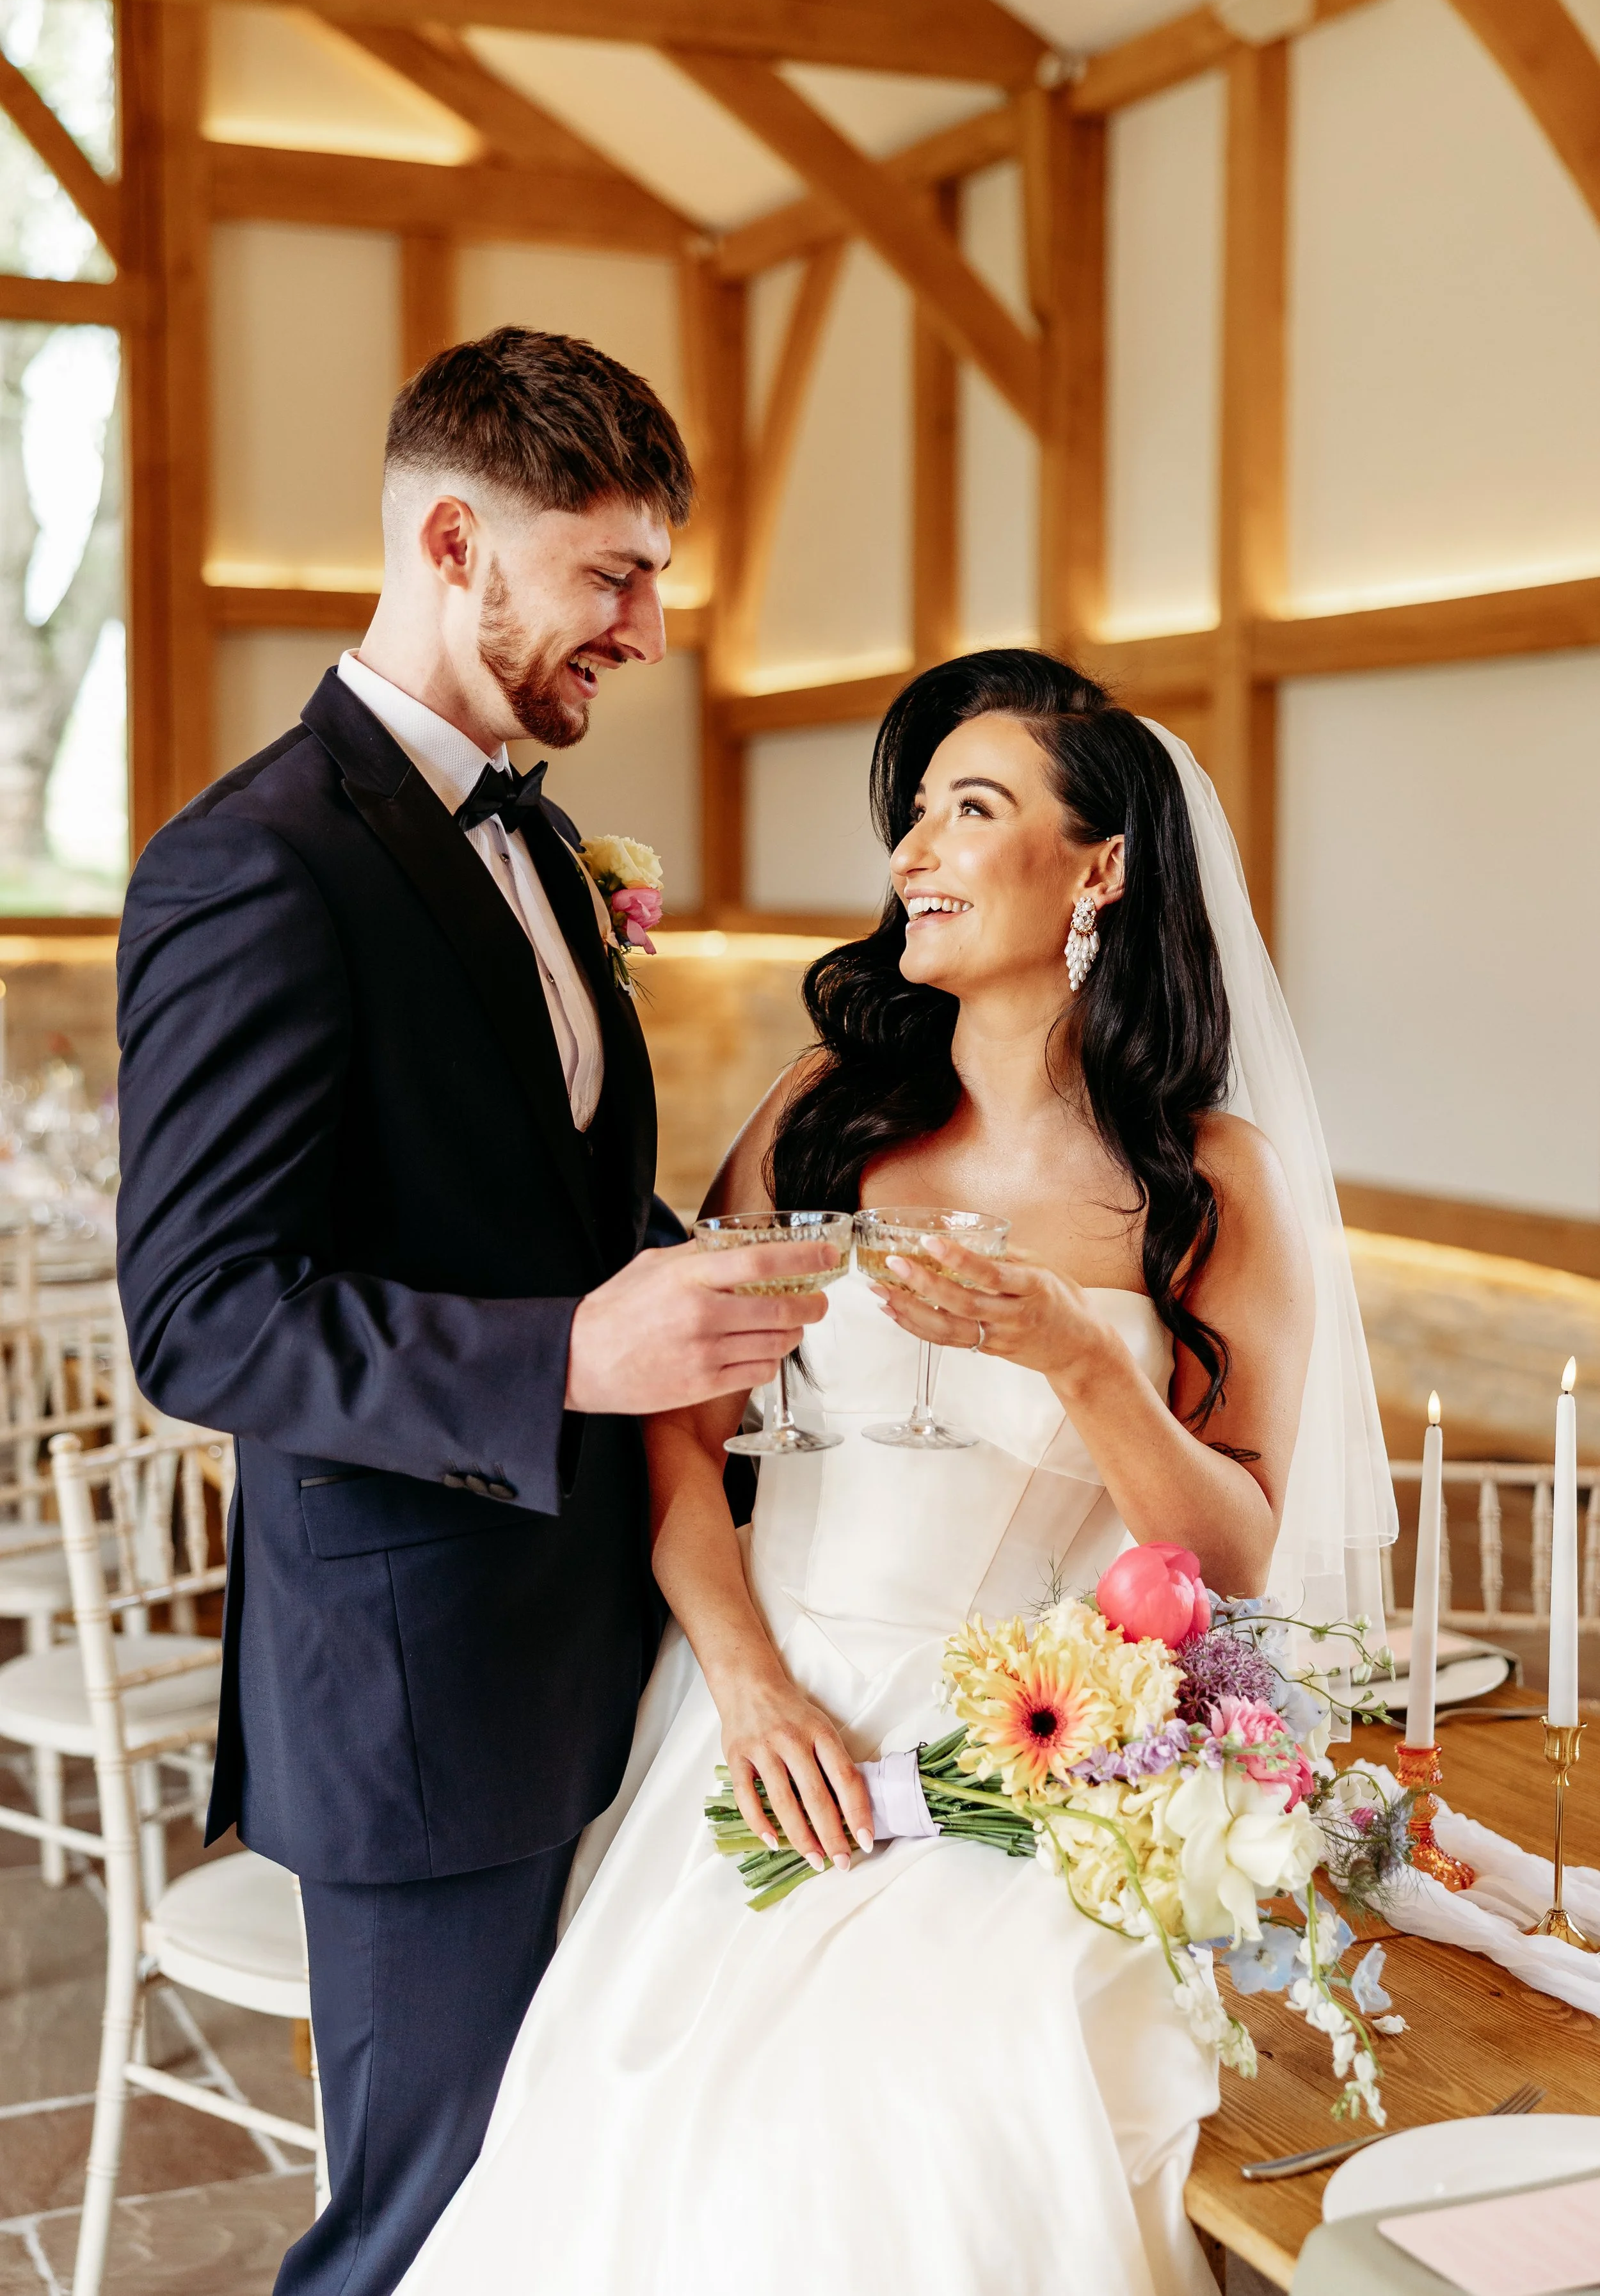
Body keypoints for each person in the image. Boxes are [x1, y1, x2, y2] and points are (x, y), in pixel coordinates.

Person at [396, 650, 1395, 2296]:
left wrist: (1075, 1359)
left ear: (1099, 870)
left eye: (970, 809)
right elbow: (676, 1429)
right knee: (666, 2135)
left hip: (1027, 1763)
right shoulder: (816, 1119)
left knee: (932, 2118)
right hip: (759, 1712)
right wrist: (743, 1684)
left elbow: (1233, 1560)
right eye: (914, 814)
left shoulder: (1210, 1180)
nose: (909, 853)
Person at [114, 328, 837, 2296]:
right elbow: (198, 1314)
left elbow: (560, 1204)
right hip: (421, 1683)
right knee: (424, 2232)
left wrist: (752, 1230)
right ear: (455, 537)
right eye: (612, 572)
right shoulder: (252, 867)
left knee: (582, 2203)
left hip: (615, 1633)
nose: (652, 630)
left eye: (657, 577)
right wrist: (572, 1356)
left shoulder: (527, 833)